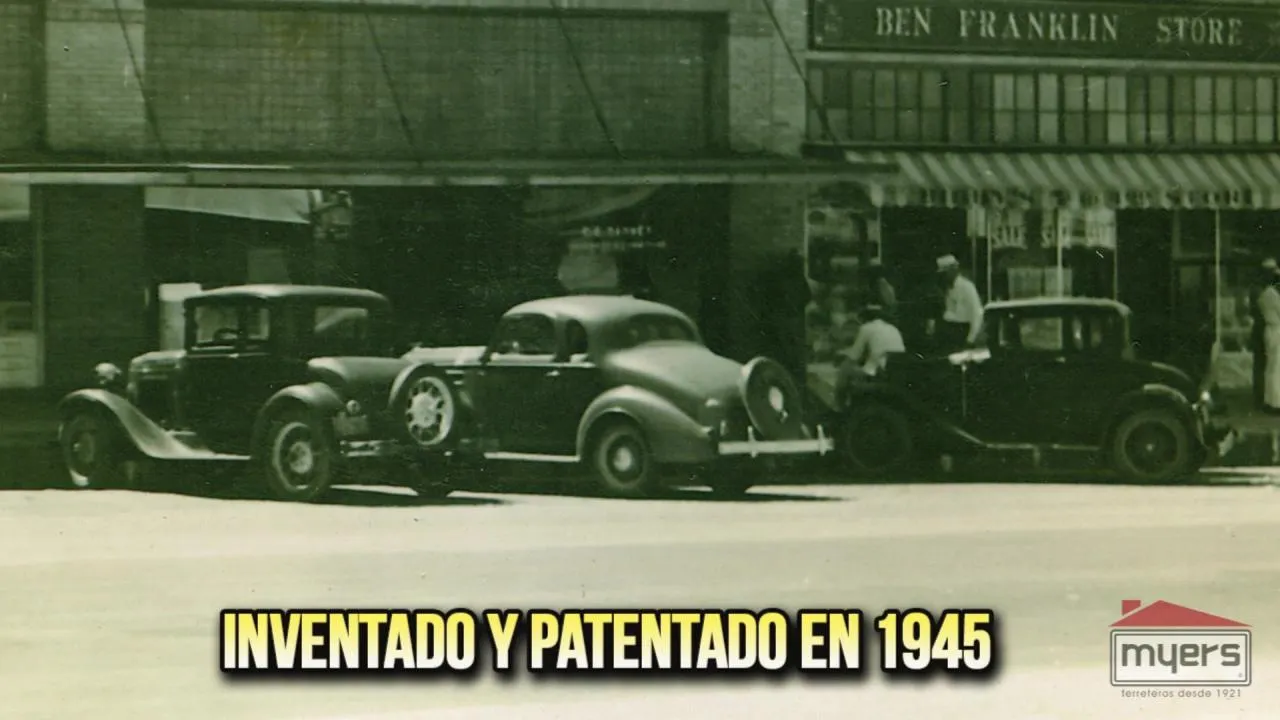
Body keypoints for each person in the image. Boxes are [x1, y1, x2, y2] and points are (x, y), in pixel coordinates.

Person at [834, 304, 905, 405]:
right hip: (895, 369)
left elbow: (854, 355)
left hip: (879, 370)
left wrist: (843, 353)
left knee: (845, 368)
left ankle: (839, 406)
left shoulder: (866, 328)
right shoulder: (893, 328)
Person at [933, 254, 984, 353]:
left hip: (963, 332)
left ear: (953, 270)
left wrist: (970, 340)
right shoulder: (947, 289)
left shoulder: (967, 287)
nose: (943, 277)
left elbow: (977, 315)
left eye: (945, 273)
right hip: (950, 333)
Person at [1250, 258, 1278, 409]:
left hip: (1265, 329)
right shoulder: (1268, 292)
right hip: (1270, 329)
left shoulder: (1259, 290)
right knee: (1271, 366)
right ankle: (1268, 399)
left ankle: (1264, 398)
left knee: (1266, 366)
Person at [1259, 271, 1280, 414]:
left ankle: (1269, 400)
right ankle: (1276, 403)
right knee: (1276, 367)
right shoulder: (1273, 295)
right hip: (1276, 330)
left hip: (1269, 330)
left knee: (1270, 367)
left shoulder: (1263, 294)